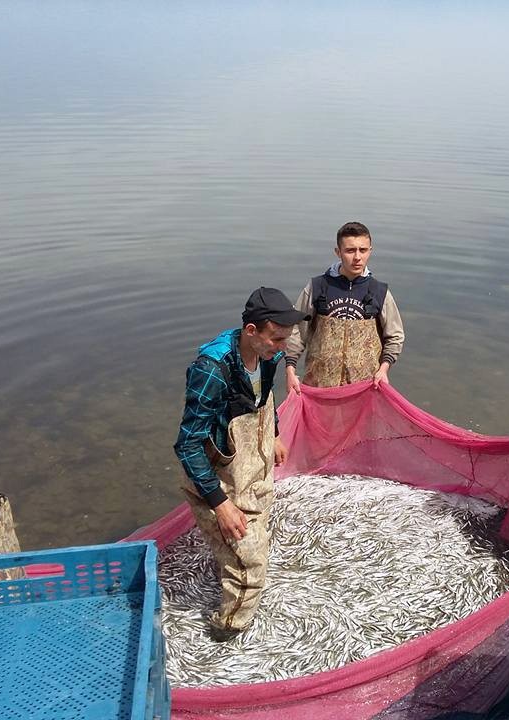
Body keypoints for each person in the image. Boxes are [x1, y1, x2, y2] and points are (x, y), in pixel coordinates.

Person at [173, 287, 310, 640]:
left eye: (286, 338)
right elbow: (187, 445)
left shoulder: (267, 355)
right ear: (251, 330)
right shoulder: (212, 370)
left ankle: (229, 571)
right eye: (276, 338)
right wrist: (220, 504)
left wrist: (275, 433)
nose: (283, 347)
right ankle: (228, 629)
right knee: (251, 562)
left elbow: (265, 397)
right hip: (220, 479)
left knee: (253, 536)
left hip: (254, 467)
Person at [285, 221, 404, 393]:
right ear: (338, 252)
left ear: (370, 251)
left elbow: (395, 336)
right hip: (319, 387)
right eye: (350, 250)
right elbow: (295, 330)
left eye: (363, 250)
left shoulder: (380, 292)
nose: (357, 257)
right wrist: (290, 370)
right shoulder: (318, 286)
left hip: (364, 390)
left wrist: (383, 369)